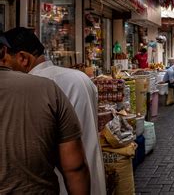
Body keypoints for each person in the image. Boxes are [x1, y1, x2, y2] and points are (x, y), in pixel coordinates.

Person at [1, 27, 106, 195]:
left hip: (64, 183)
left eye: (5, 62)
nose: (4, 69)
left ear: (22, 58)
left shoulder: (37, 86)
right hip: (89, 177)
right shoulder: (80, 77)